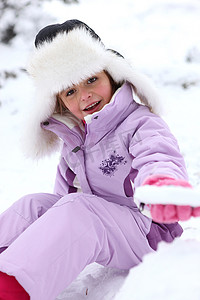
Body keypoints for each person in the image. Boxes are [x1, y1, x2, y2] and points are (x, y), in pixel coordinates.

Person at [0, 19, 199, 300]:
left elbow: (158, 154)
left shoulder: (139, 122)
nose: (85, 95)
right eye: (70, 91)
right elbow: (63, 202)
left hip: (147, 231)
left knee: (78, 208)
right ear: (60, 103)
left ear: (112, 75)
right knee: (33, 205)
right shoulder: (75, 140)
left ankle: (11, 287)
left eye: (91, 79)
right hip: (105, 227)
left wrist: (162, 186)